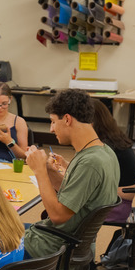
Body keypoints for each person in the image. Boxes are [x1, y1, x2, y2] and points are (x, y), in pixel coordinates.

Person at [23, 89, 119, 259]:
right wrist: (50, 171)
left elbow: (58, 216)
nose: (51, 129)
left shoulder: (90, 162)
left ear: (67, 119)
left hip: (54, 249)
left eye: (53, 122)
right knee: (5, 227)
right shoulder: (104, 151)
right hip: (72, 243)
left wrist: (39, 171)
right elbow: (77, 196)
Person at [91, 98, 135, 222]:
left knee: (63, 212)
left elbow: (92, 183)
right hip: (121, 201)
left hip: (115, 206)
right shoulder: (113, 137)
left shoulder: (105, 147)